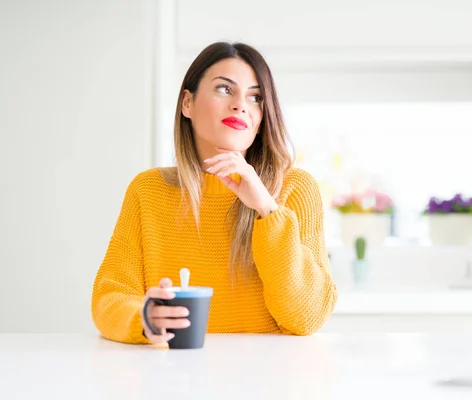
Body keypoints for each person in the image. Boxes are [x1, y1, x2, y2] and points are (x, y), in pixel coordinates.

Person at [91, 42, 338, 344]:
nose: (240, 105)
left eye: (255, 97)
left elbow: (307, 317)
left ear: (261, 120)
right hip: (175, 381)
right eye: (224, 89)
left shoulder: (295, 189)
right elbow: (110, 295)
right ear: (187, 104)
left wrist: (266, 208)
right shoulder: (148, 190)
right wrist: (145, 318)